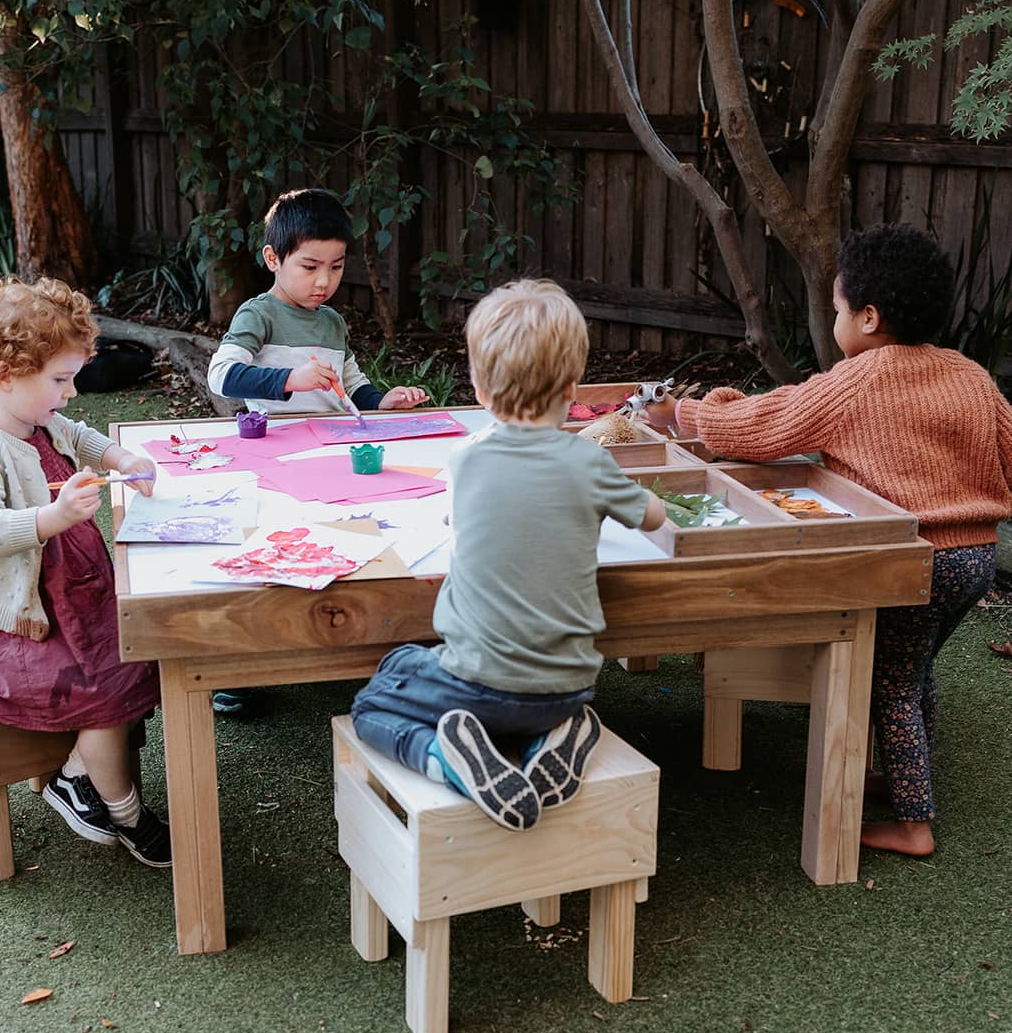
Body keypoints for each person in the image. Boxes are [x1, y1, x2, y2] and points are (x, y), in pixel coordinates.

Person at [643, 221, 1012, 859]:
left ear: (867, 317)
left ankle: (914, 825)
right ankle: (903, 782)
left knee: (888, 680)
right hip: (976, 556)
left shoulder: (858, 379)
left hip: (909, 556)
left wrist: (689, 413)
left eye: (836, 309)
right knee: (914, 668)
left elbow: (765, 425)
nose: (833, 320)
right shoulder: (972, 377)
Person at [350, 279, 666, 831]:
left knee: (376, 699)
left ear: (478, 386)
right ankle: (557, 737)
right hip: (567, 687)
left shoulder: (466, 462)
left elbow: (458, 519)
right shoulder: (591, 463)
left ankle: (448, 760)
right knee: (498, 694)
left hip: (473, 684)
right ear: (572, 388)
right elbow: (654, 518)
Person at [0, 276, 172, 869]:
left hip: (77, 594)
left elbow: (85, 438)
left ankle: (76, 774)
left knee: (144, 645)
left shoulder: (39, 420)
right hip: (21, 619)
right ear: (7, 375)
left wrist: (126, 459)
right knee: (108, 686)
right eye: (60, 380)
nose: (70, 395)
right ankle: (125, 811)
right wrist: (51, 516)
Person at [207, 186, 429, 717]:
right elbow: (222, 376)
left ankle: (344, 635)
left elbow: (349, 385)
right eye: (309, 267)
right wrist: (289, 378)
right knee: (267, 550)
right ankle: (240, 669)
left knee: (337, 539)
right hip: (270, 454)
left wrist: (384, 400)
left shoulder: (332, 321)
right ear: (273, 259)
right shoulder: (258, 313)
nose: (324, 281)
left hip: (327, 453)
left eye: (335, 266)